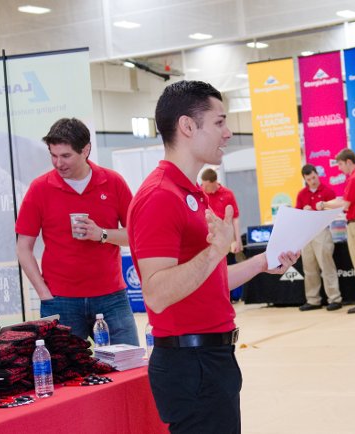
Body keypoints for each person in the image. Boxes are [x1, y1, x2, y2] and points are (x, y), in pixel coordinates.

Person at [128, 80, 299, 433]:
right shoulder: (159, 197)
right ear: (187, 126)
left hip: (212, 357)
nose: (228, 132)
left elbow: (209, 280)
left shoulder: (191, 193)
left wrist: (263, 262)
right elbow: (156, 294)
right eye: (219, 122)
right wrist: (214, 252)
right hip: (190, 363)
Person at [15, 118, 138, 345]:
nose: (58, 163)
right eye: (53, 155)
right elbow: (23, 247)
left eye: (66, 156)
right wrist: (43, 293)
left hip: (111, 298)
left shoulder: (113, 183)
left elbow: (136, 235)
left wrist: (101, 234)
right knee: (65, 376)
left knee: (128, 365)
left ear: (86, 150)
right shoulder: (39, 189)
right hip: (60, 300)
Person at [316, 148, 355, 314]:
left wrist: (324, 205)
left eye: (341, 164)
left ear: (348, 162)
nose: (339, 168)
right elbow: (346, 201)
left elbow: (345, 204)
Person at [295, 164, 342, 312]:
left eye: (314, 177)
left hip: (322, 231)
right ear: (305, 179)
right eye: (309, 179)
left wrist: (323, 208)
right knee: (309, 268)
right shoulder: (301, 194)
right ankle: (313, 299)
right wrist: (304, 211)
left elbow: (336, 210)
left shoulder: (327, 191)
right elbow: (297, 215)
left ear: (317, 174)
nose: (312, 181)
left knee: (326, 266)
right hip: (306, 233)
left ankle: (335, 298)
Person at [200, 168, 242, 254]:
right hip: (207, 240)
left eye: (206, 185)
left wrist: (238, 240)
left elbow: (235, 219)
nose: (203, 187)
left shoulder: (228, 194)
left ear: (214, 182)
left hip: (226, 239)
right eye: (202, 185)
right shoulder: (200, 194)